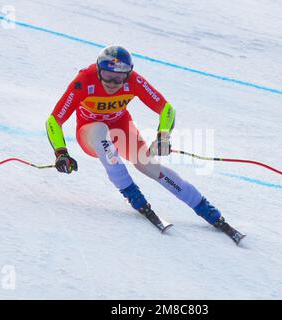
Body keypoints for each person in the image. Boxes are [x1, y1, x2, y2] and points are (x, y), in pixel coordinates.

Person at [46, 45, 245, 244]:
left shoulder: (134, 81)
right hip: (90, 133)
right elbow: (54, 120)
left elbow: (166, 109)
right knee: (100, 132)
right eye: (108, 75)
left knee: (148, 164)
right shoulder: (84, 81)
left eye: (120, 77)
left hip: (121, 129)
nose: (114, 83)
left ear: (129, 74)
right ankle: (133, 195)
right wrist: (61, 153)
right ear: (98, 70)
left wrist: (163, 136)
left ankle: (206, 209)